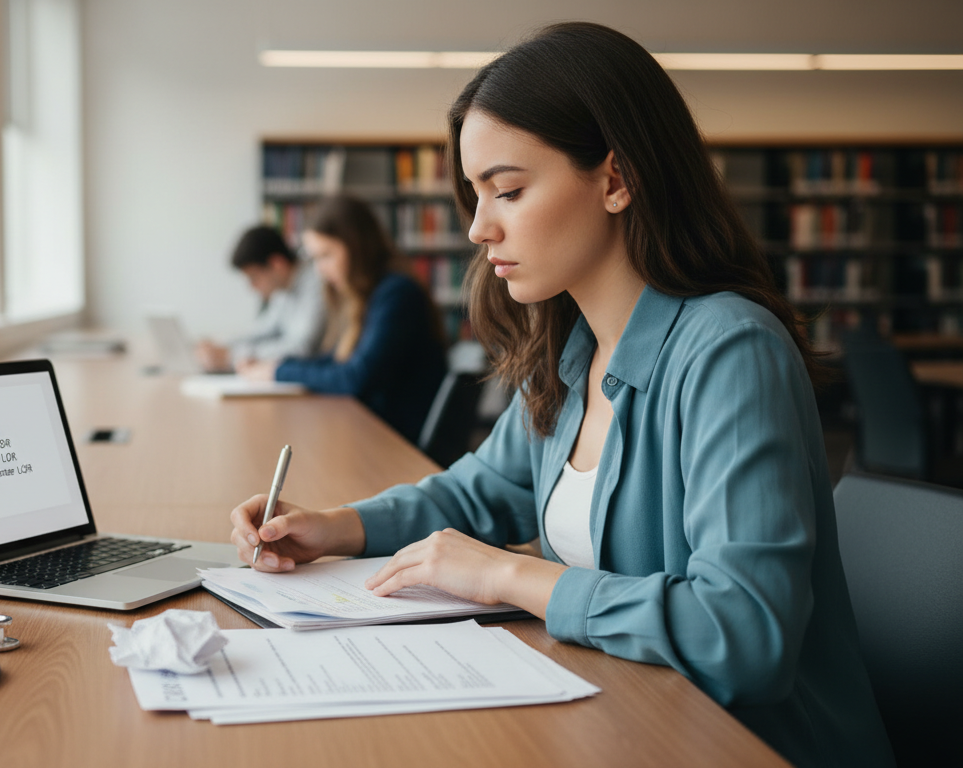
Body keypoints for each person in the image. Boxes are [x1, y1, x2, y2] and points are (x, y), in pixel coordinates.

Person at [228, 22, 893, 768]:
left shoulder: (729, 351)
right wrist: (334, 526)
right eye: (476, 195)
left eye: (507, 189)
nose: (479, 228)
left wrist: (507, 573)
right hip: (628, 720)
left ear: (615, 179)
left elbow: (742, 635)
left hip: (749, 746)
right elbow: (480, 493)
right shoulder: (572, 349)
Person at [237, 196, 447, 445]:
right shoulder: (367, 295)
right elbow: (336, 359)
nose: (320, 270)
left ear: (357, 247)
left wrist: (279, 371)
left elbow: (356, 378)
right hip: (373, 429)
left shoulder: (397, 293)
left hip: (395, 440)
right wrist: (277, 365)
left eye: (326, 255)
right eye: (315, 258)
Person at [195, 225, 326, 372]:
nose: (252, 287)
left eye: (254, 277)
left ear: (277, 264)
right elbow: (263, 330)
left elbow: (302, 348)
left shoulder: (317, 280)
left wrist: (231, 356)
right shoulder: (283, 291)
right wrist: (220, 344)